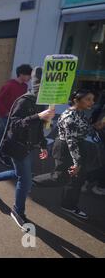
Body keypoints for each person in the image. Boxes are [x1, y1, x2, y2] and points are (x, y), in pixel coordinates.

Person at [0, 67, 55, 230]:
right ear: (37, 84)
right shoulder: (25, 100)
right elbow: (14, 124)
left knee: (20, 173)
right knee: (25, 180)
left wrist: (42, 144)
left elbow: (38, 128)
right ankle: (18, 211)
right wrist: (38, 116)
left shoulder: (43, 102)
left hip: (28, 146)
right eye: (43, 84)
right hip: (16, 146)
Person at [53, 90, 105, 219]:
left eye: (93, 99)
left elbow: (85, 128)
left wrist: (98, 125)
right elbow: (71, 142)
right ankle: (28, 181)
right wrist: (77, 163)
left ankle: (68, 205)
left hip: (75, 147)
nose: (92, 102)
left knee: (76, 179)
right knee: (59, 177)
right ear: (77, 100)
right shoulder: (70, 116)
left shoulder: (80, 113)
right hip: (66, 148)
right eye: (88, 99)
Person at [0, 64, 33, 167]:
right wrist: (5, 112)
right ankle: (4, 154)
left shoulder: (24, 86)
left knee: (4, 131)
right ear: (21, 74)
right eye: (28, 75)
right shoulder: (9, 85)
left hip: (17, 115)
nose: (30, 77)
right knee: (9, 135)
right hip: (7, 115)